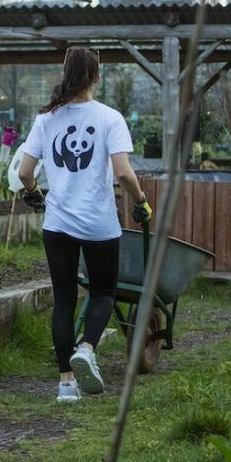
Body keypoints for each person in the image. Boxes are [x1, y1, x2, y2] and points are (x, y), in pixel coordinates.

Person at [17, 47, 152, 403]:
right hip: (99, 224)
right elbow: (123, 172)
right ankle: (87, 349)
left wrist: (35, 195)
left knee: (63, 300)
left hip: (57, 224)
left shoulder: (46, 119)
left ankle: (65, 385)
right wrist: (140, 201)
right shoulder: (110, 118)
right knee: (104, 292)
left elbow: (24, 173)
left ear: (65, 74)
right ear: (96, 76)